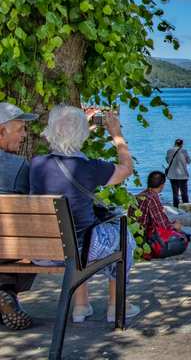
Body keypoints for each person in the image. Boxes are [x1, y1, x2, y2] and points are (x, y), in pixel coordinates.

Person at [30, 105, 139, 322]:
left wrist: (78, 128)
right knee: (123, 236)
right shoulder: (89, 168)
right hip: (80, 250)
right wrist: (116, 134)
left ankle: (81, 306)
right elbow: (126, 169)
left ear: (50, 132)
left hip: (42, 252)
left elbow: (67, 153)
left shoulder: (36, 165)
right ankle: (116, 305)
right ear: (81, 135)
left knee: (75, 233)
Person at [0, 103, 39, 330]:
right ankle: (6, 293)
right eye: (20, 129)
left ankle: (5, 293)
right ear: (1, 131)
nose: (24, 135)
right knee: (33, 245)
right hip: (8, 250)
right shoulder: (18, 166)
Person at [135, 171, 190, 259]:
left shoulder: (139, 195)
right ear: (162, 185)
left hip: (136, 236)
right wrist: (175, 226)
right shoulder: (152, 198)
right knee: (184, 238)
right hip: (146, 239)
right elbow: (163, 224)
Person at [165, 138, 191, 208]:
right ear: (182, 144)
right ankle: (186, 208)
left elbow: (167, 161)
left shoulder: (169, 151)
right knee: (184, 194)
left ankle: (176, 208)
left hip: (172, 175)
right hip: (183, 175)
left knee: (175, 194)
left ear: (175, 143)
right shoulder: (184, 151)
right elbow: (189, 161)